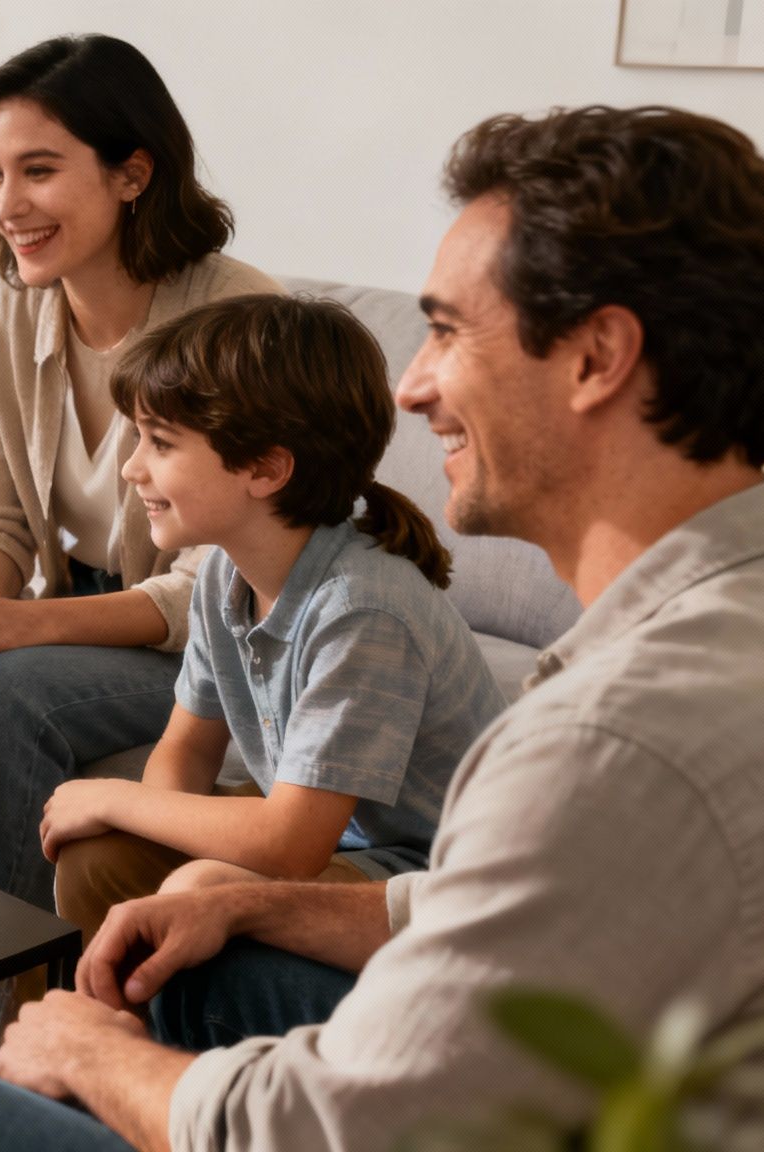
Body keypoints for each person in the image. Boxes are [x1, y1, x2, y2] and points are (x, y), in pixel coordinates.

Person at [0, 103, 764, 1152]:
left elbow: (340, 1127)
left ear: (596, 356)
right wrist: (253, 906)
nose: (412, 384)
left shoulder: (605, 742)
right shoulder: (693, 638)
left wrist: (89, 1053)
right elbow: (509, 920)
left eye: (444, 331)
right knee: (199, 957)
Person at [0, 31, 282, 1065]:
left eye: (37, 170)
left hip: (225, 643)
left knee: (5, 692)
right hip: (80, 613)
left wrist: (22, 626)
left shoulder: (235, 316)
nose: (5, 202)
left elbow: (218, 582)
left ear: (130, 173)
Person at [41, 295, 504, 942]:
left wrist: (117, 797)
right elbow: (185, 748)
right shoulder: (221, 576)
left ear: (266, 468)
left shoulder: (364, 609)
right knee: (100, 856)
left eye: (161, 443)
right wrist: (135, 816)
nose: (131, 466)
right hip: (338, 850)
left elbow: (291, 845)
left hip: (423, 884)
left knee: (198, 889)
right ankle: (76, 1028)